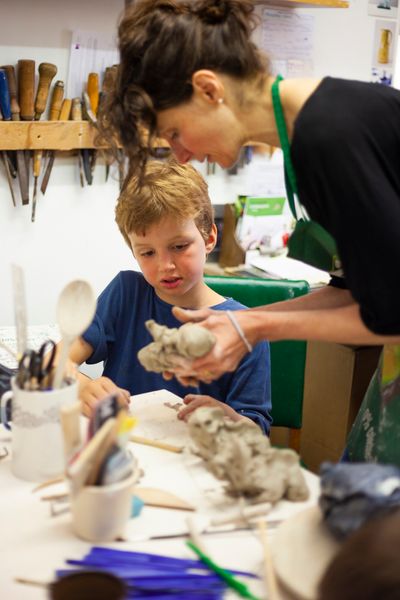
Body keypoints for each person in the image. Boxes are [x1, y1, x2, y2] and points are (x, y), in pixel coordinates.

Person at [98, 0, 400, 465]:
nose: (180, 154)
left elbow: (390, 312)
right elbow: (358, 294)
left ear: (207, 89)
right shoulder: (310, 135)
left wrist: (253, 325)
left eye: (175, 132)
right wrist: (241, 324)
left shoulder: (328, 136)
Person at [67, 159, 272, 433]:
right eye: (147, 252)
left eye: (178, 246)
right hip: (121, 453)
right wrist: (82, 387)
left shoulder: (247, 331)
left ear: (210, 238)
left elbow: (256, 433)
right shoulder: (126, 292)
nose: (165, 265)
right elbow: (57, 361)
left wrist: (229, 419)